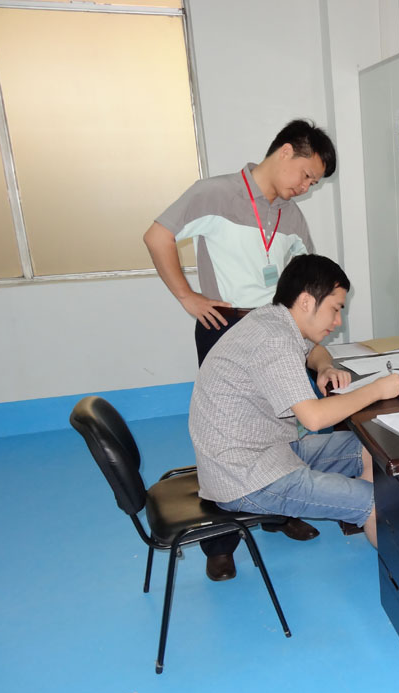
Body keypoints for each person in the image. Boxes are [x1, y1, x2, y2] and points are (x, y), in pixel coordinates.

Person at [144, 119, 337, 579]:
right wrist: (188, 297)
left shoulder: (292, 217)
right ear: (286, 151)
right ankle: (220, 542)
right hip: (226, 327)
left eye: (314, 183)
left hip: (277, 329)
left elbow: (307, 284)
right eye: (306, 175)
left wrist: (317, 347)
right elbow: (156, 236)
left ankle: (277, 512)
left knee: (282, 424)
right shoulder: (214, 193)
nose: (306, 188)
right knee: (226, 434)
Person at [189, 254, 399, 579]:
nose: (338, 321)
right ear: (306, 301)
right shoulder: (274, 340)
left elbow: (312, 350)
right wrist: (376, 389)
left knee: (370, 450)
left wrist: (325, 366)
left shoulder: (273, 319)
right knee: (379, 500)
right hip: (248, 478)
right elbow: (314, 419)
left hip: (265, 453)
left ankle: (362, 516)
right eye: (335, 308)